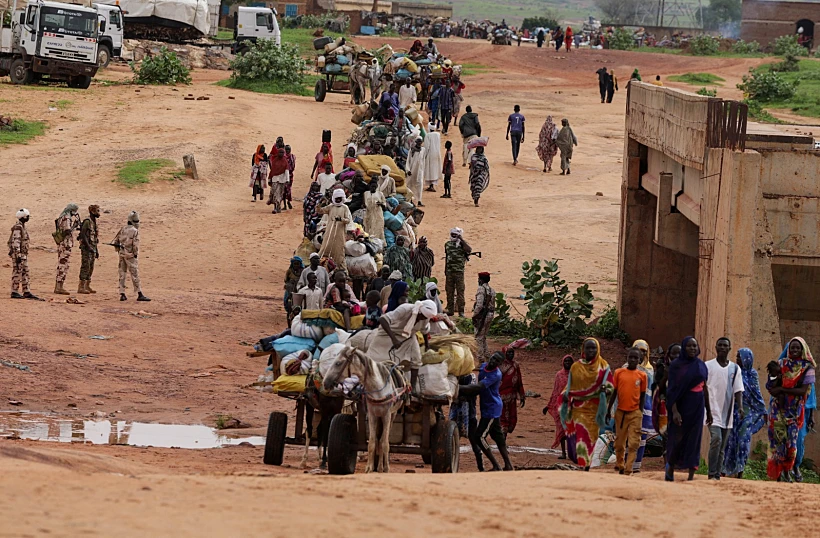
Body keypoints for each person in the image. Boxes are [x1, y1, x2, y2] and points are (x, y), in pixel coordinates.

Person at [560, 337, 614, 470]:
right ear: (583, 349)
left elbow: (611, 386)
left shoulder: (604, 366)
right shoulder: (576, 367)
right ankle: (584, 466)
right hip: (579, 410)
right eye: (588, 348)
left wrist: (605, 390)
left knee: (591, 439)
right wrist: (565, 396)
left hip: (595, 410)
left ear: (598, 349)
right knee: (581, 439)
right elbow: (569, 387)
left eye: (593, 348)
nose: (591, 350)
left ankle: (586, 465)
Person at [767, 337, 815, 482]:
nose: (794, 350)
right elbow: (770, 386)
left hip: (795, 412)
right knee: (777, 441)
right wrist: (774, 376)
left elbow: (802, 391)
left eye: (797, 348)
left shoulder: (808, 368)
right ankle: (779, 473)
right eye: (792, 348)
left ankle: (789, 469)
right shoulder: (781, 364)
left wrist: (782, 389)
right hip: (778, 410)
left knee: (792, 444)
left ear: (803, 350)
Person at [665, 336, 711, 481]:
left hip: (697, 407)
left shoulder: (701, 365)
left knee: (694, 439)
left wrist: (709, 411)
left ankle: (691, 475)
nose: (692, 348)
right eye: (689, 346)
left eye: (695, 346)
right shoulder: (676, 366)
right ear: (684, 348)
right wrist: (675, 411)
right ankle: (671, 466)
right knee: (677, 438)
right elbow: (672, 391)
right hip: (682, 406)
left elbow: (705, 388)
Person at [367, 300, 437, 390]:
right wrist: (394, 339)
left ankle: (413, 388)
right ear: (419, 310)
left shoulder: (425, 318)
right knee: (373, 358)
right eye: (422, 316)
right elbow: (383, 319)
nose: (422, 319)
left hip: (408, 336)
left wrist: (427, 345)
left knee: (417, 359)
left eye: (425, 317)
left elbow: (425, 331)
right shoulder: (405, 309)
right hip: (389, 333)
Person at [462, 352, 514, 472]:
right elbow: (472, 368)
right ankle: (508, 465)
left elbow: (478, 387)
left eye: (496, 361)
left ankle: (496, 465)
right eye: (493, 358)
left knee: (479, 437)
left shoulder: (496, 375)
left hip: (491, 409)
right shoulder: (484, 366)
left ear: (500, 364)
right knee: (498, 437)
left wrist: (457, 388)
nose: (493, 361)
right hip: (488, 407)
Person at [723, 348, 767, 478]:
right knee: (729, 440)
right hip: (733, 412)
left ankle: (740, 470)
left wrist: (763, 410)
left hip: (747, 414)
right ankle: (724, 469)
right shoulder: (733, 372)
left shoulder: (753, 374)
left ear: (747, 359)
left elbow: (756, 394)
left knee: (743, 441)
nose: (737, 359)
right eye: (736, 357)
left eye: (739, 357)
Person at [704, 337, 744, 480]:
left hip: (727, 413)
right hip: (711, 411)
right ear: (715, 347)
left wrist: (740, 407)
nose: (722, 348)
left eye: (725, 345)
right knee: (716, 439)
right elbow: (704, 387)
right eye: (719, 345)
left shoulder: (735, 368)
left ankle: (717, 474)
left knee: (722, 446)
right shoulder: (708, 366)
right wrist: (707, 410)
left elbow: (738, 389)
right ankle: (711, 472)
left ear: (729, 348)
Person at [606, 347, 647, 475]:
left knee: (634, 442)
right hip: (621, 413)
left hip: (635, 413)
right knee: (619, 442)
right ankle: (620, 464)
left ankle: (629, 469)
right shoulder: (619, 373)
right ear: (627, 358)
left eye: (636, 358)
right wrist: (609, 409)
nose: (633, 360)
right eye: (631, 357)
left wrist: (640, 412)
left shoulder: (642, 375)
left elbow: (643, 395)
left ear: (639, 360)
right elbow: (614, 392)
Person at [626, 339, 655, 473]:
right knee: (628, 437)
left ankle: (636, 465)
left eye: (644, 351)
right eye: (639, 350)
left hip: (645, 407)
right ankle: (627, 464)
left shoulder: (650, 370)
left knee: (641, 438)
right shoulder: (625, 368)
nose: (642, 354)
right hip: (628, 406)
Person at [114, 211, 150, 302]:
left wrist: (119, 250)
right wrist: (135, 254)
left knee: (122, 274)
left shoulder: (123, 229)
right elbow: (135, 245)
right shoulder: (135, 231)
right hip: (130, 255)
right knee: (134, 274)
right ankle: (139, 293)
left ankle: (122, 293)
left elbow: (116, 241)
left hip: (122, 254)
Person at [544, 354, 573, 458]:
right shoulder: (559, 375)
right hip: (561, 406)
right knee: (561, 429)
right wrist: (549, 405)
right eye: (566, 361)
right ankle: (563, 453)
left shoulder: (575, 375)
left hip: (572, 406)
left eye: (570, 361)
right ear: (563, 362)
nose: (568, 363)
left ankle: (571, 452)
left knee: (571, 430)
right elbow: (555, 391)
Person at [8, 208, 39, 300]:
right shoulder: (18, 227)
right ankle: (14, 291)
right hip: (19, 254)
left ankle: (26, 291)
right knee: (17, 271)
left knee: (25, 272)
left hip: (23, 254)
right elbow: (16, 241)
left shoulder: (22, 227)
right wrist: (17, 254)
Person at [317, 189, 352, 271]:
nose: (338, 200)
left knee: (339, 251)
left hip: (340, 233)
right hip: (329, 232)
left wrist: (341, 219)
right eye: (337, 198)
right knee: (326, 247)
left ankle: (340, 269)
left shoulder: (345, 208)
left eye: (340, 198)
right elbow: (319, 211)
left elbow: (348, 220)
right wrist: (320, 203)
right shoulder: (331, 206)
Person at [499, 338, 528, 436]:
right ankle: (502, 441)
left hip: (512, 397)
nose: (511, 355)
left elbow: (519, 381)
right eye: (509, 353)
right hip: (501, 397)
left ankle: (503, 439)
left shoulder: (515, 365)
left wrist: (522, 396)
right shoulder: (500, 366)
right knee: (503, 419)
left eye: (512, 353)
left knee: (511, 418)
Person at [54, 203, 80, 295]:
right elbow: (67, 231)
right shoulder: (66, 218)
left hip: (63, 243)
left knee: (63, 264)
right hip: (65, 243)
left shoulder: (63, 216)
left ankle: (59, 286)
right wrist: (74, 226)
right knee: (63, 264)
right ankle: (59, 286)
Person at [444, 228, 471, 316]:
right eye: (453, 234)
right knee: (449, 291)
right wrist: (445, 269)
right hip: (449, 272)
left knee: (460, 292)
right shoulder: (447, 244)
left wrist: (462, 240)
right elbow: (447, 256)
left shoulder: (463, 244)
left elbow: (469, 250)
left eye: (456, 235)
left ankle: (461, 311)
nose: (454, 236)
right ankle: (450, 310)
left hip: (459, 272)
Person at [77, 205, 100, 294]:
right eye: (97, 211)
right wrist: (88, 246)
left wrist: (96, 249)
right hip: (87, 248)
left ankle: (87, 285)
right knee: (85, 266)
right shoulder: (87, 222)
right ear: (92, 212)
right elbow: (83, 235)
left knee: (91, 266)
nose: (99, 213)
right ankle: (81, 286)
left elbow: (94, 237)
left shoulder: (94, 222)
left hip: (92, 247)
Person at [473, 272, 495, 361]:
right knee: (484, 336)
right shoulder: (492, 290)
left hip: (483, 315)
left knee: (478, 337)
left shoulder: (481, 289)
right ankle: (487, 355)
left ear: (481, 280)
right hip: (490, 314)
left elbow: (479, 305)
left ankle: (480, 358)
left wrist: (475, 315)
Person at [267, 147, 290, 214]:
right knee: (275, 193)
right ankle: (275, 208)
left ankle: (278, 207)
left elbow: (286, 171)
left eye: (282, 152)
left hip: (282, 180)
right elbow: (272, 171)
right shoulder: (275, 161)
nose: (281, 154)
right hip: (275, 179)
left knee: (280, 194)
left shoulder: (285, 161)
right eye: (280, 152)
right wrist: (269, 179)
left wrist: (287, 179)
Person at [406, 137, 427, 206]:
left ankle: (419, 200)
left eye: (420, 142)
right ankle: (411, 200)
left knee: (420, 185)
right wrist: (408, 170)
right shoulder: (412, 150)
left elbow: (423, 160)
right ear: (416, 142)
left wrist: (423, 170)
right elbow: (408, 161)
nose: (419, 143)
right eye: (418, 142)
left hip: (420, 170)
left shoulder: (423, 150)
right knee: (411, 185)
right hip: (412, 170)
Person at [283, 145, 296, 210]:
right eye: (286, 149)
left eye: (289, 149)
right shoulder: (283, 157)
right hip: (283, 175)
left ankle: (288, 201)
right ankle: (285, 204)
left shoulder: (292, 157)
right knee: (283, 190)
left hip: (290, 175)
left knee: (288, 189)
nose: (287, 151)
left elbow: (293, 167)